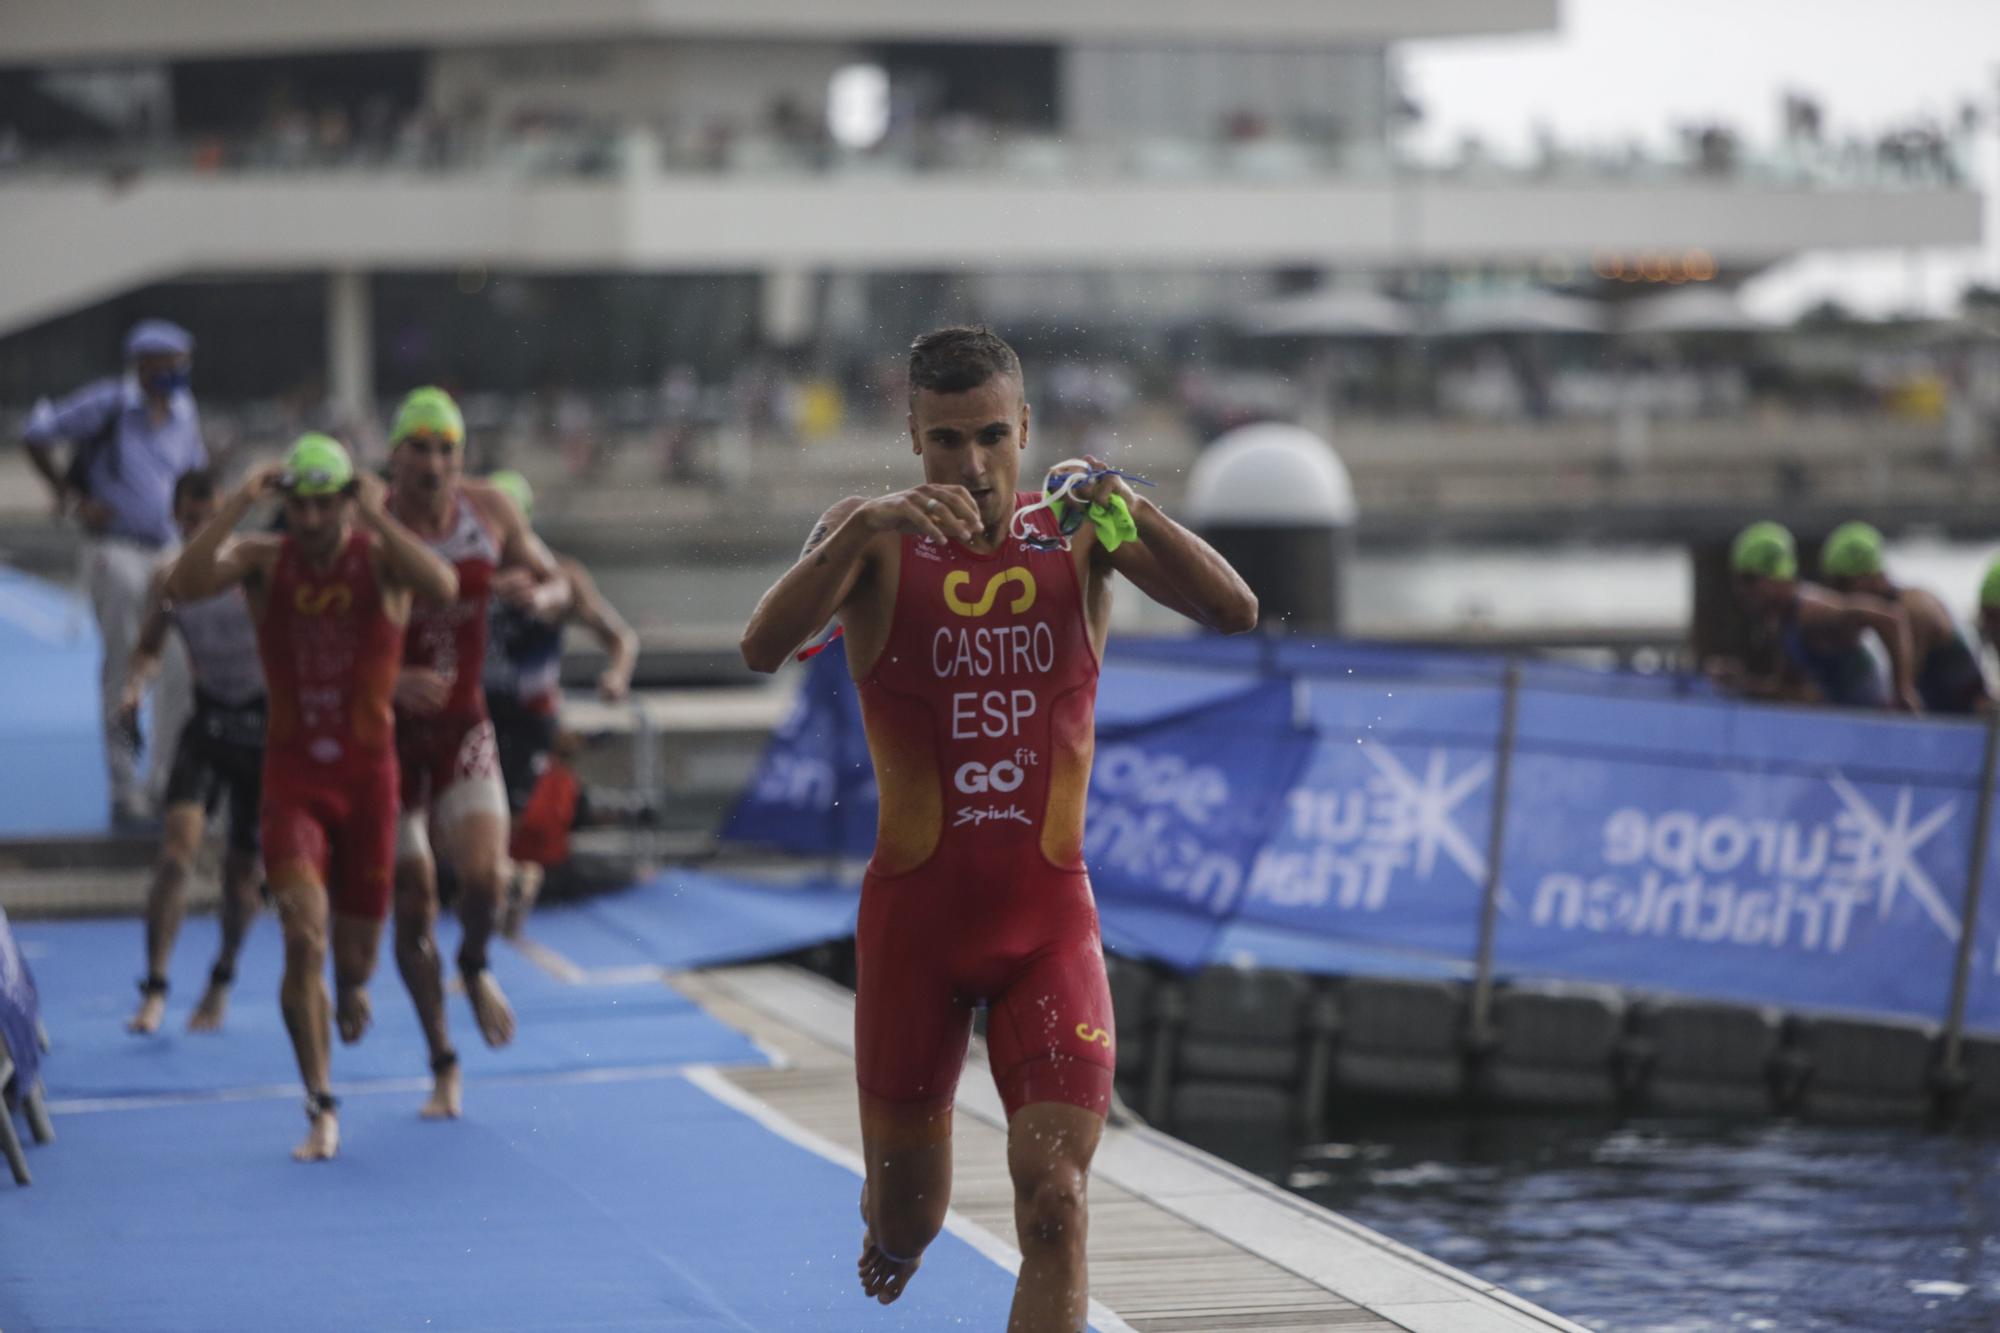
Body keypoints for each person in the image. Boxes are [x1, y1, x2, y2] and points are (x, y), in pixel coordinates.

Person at [738, 326, 1258, 1330]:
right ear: (912, 437)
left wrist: (1123, 501)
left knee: (1054, 1199)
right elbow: (763, 646)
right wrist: (854, 529)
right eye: (942, 442)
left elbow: (1233, 610)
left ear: (1022, 427)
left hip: (1046, 926)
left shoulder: (1074, 526)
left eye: (988, 437)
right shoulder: (874, 541)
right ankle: (889, 1227)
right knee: (910, 1217)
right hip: (913, 934)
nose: (969, 467)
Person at [166, 434, 457, 1161]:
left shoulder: (381, 558)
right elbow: (183, 581)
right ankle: (322, 1105)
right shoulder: (268, 562)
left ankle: (353, 988)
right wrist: (240, 500)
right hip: (294, 781)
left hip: (368, 782)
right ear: (289, 504)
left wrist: (375, 512)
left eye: (327, 504)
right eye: (302, 505)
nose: (314, 519)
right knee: (303, 937)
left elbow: (444, 587)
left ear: (343, 503)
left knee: (354, 959)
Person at [385, 391, 567, 1120]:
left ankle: (476, 963)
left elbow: (557, 581)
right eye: (419, 449)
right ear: (395, 454)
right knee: (413, 897)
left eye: (446, 451)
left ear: (461, 458)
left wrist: (539, 594)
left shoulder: (488, 508)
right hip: (389, 739)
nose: (433, 465)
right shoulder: (371, 515)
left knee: (489, 877)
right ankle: (443, 1060)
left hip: (463, 727)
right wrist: (387, 679)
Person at [21, 319, 207, 825]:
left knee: (180, 672)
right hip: (118, 548)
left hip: (168, 549)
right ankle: (125, 788)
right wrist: (70, 495)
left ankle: (166, 780)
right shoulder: (109, 403)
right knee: (126, 664)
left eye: (181, 364)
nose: (177, 374)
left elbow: (192, 475)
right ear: (145, 366)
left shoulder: (185, 412)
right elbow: (37, 432)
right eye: (168, 365)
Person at [120, 469, 267, 1034]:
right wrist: (135, 689)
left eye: (210, 520)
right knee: (176, 855)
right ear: (176, 518)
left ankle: (221, 979)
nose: (199, 529)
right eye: (189, 521)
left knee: (240, 875)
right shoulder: (171, 579)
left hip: (261, 727)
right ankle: (155, 988)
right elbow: (147, 650)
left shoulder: (250, 569)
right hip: (208, 725)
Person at [480, 469, 640, 935]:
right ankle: (508, 888)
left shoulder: (562, 575)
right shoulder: (467, 572)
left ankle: (514, 892)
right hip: (476, 716)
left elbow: (620, 637)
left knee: (508, 824)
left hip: (532, 720)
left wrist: (616, 676)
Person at [1719, 520, 1921, 712]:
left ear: (1776, 576)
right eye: (1738, 581)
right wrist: (1742, 683)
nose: (1742, 591)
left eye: (1750, 580)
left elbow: (1890, 619)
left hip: (1875, 716)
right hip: (1846, 722)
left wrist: (1903, 689)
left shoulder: (1813, 611)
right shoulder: (1779, 623)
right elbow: (1787, 689)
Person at [1819, 521, 1990, 715]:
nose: (1843, 600)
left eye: (1842, 586)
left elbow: (1903, 697)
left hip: (1972, 719)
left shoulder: (1914, 610)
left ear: (1868, 577)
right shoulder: (1890, 610)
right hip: (1946, 713)